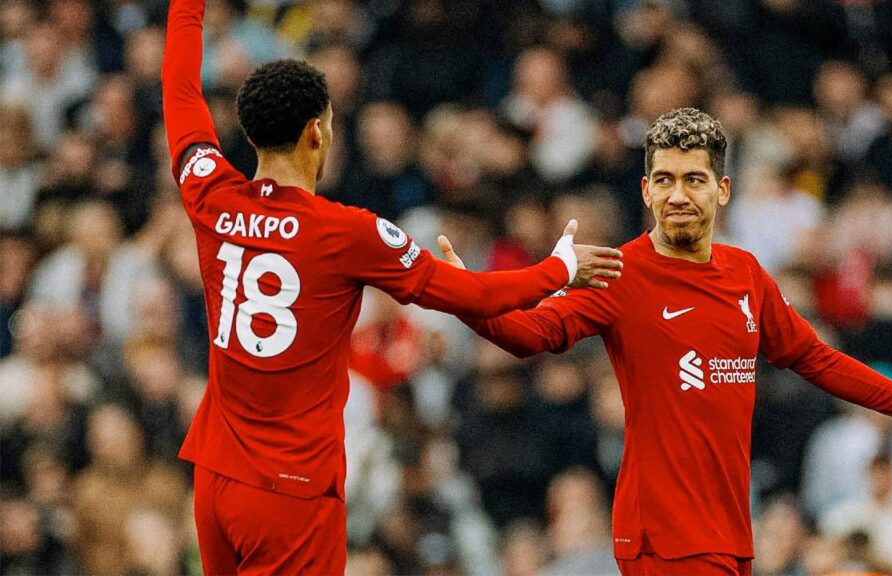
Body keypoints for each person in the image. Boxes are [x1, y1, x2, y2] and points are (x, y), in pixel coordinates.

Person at [440, 107, 892, 576]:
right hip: (662, 535)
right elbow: (529, 334)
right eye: (664, 179)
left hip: (730, 531)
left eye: (693, 179)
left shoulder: (745, 274)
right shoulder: (621, 274)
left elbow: (819, 360)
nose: (678, 195)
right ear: (645, 190)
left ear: (722, 189)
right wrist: (467, 296)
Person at [161, 1, 624, 573]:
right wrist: (559, 268)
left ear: (251, 134)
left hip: (215, 476)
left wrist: (186, 7)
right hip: (291, 487)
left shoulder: (211, 192)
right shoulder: (348, 233)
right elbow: (474, 296)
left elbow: (180, 92)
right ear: (316, 132)